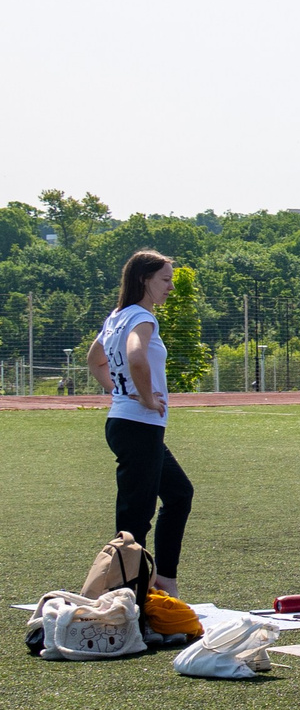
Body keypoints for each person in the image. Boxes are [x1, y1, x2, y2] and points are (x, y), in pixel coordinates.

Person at [87, 250, 193, 589]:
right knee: (135, 516)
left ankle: (164, 581)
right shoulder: (142, 318)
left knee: (179, 494)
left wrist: (120, 392)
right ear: (144, 279)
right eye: (165, 279)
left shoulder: (116, 316)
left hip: (127, 423)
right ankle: (126, 594)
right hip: (138, 426)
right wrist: (145, 397)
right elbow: (135, 356)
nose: (171, 287)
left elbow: (95, 360)